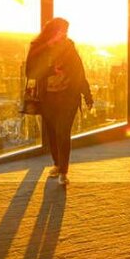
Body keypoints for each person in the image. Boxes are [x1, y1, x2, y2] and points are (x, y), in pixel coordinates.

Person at [26, 18, 93, 186]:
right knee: (52, 133)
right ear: (51, 31)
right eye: (60, 31)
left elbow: (79, 72)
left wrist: (87, 95)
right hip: (47, 97)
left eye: (65, 31)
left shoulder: (69, 47)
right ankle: (57, 163)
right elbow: (30, 71)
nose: (63, 35)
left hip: (68, 97)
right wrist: (50, 70)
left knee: (63, 132)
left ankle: (64, 171)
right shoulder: (38, 46)